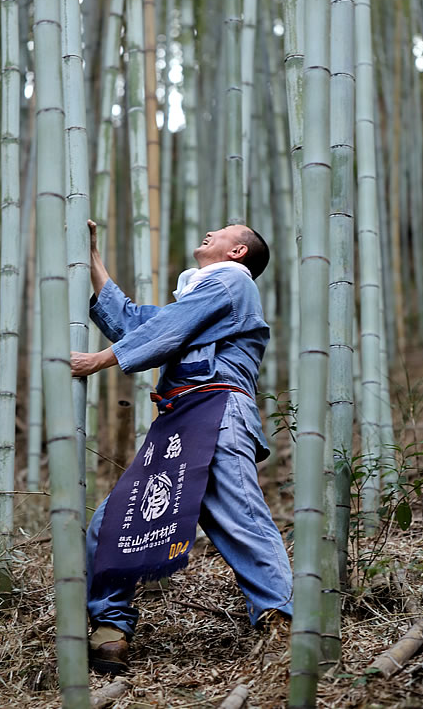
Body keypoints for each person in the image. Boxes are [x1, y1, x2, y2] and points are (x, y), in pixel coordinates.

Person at [70, 220, 293, 674]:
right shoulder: (198, 296)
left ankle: (284, 624)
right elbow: (134, 322)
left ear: (238, 253)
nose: (210, 233)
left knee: (241, 520)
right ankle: (110, 628)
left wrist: (99, 361)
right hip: (179, 422)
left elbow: (167, 329)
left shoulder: (232, 283)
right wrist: (91, 256)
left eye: (224, 232)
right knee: (113, 522)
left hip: (219, 411)